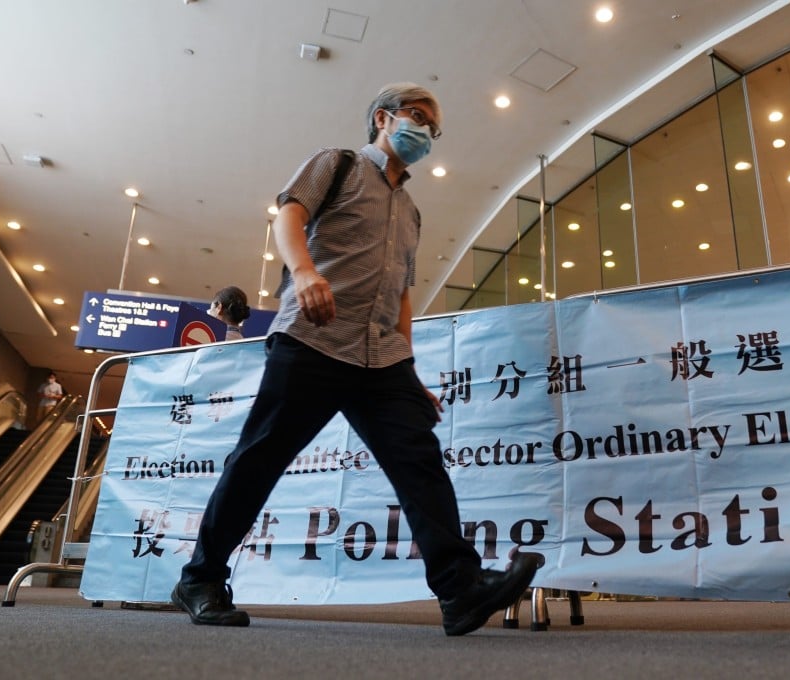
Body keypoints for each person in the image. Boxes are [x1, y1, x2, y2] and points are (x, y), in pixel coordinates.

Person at [172, 82, 538, 634]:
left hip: (383, 358)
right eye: (417, 116)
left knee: (419, 459)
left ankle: (459, 588)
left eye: (432, 127)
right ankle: (200, 578)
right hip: (313, 340)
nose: (425, 132)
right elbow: (287, 216)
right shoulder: (336, 164)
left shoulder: (411, 212)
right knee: (258, 460)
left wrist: (410, 371)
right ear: (383, 118)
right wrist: (305, 272)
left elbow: (403, 295)